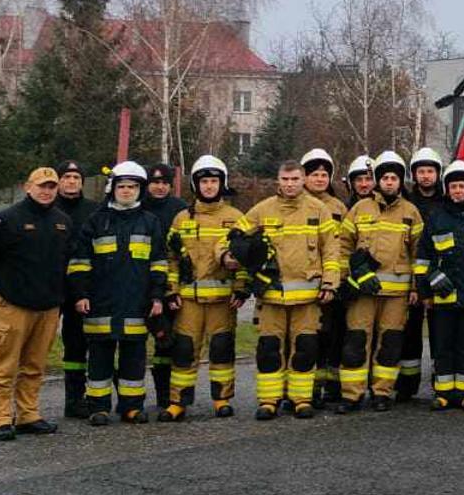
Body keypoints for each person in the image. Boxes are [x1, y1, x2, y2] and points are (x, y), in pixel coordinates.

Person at [229, 160, 343, 420]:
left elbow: (331, 251)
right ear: (278, 181)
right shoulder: (263, 210)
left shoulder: (319, 210)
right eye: (285, 179)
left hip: (307, 298)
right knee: (269, 349)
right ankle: (269, 400)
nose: (290, 184)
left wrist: (330, 283)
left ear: (303, 180)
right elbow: (236, 236)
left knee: (305, 349)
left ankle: (301, 399)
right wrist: (232, 253)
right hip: (271, 297)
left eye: (294, 179)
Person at [0, 167, 72, 441]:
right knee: (4, 365)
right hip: (13, 306)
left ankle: (28, 415)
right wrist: (5, 287)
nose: (46, 191)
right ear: (28, 187)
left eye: (51, 186)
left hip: (48, 307)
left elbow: (65, 262)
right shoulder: (5, 220)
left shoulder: (62, 221)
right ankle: (1, 419)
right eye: (41, 186)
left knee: (35, 365)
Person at [66, 161, 170, 425]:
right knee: (99, 358)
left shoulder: (150, 222)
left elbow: (159, 263)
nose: (127, 191)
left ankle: (131, 407)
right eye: (122, 186)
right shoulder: (96, 222)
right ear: (113, 189)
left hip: (137, 303)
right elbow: (80, 262)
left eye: (133, 187)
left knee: (134, 358)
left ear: (140, 190)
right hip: (101, 303)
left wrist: (157, 296)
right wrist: (81, 295)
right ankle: (98, 407)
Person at [159, 155, 247, 422]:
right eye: (204, 181)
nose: (209, 186)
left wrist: (241, 288)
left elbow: (245, 255)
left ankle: (222, 399)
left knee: (222, 349)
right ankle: (178, 402)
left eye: (214, 181)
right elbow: (171, 258)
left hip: (222, 300)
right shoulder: (181, 219)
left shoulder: (236, 218)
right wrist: (171, 290)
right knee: (184, 351)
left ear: (223, 184)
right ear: (196, 185)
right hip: (188, 301)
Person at [338, 151, 425, 412]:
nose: (389, 182)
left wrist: (415, 288)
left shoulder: (411, 212)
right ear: (377, 180)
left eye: (394, 178)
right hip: (363, 292)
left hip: (396, 295)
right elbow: (343, 247)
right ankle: (351, 395)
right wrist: (347, 279)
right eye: (385, 177)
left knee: (389, 344)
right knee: (356, 340)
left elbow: (419, 254)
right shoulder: (360, 209)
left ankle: (382, 392)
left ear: (401, 182)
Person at [414, 160, 464, 411]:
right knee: (443, 346)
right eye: (453, 186)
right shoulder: (437, 217)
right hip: (442, 298)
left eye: (462, 186)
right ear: (447, 189)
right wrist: (426, 290)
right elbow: (424, 257)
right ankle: (444, 392)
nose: (458, 190)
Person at [52, 159, 101, 418]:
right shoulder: (47, 209)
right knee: (44, 344)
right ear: (58, 181)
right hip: (53, 287)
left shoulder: (94, 210)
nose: (71, 182)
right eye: (67, 177)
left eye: (76, 178)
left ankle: (78, 398)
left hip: (83, 289)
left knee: (80, 343)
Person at [397, 147, 446, 400]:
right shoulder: (405, 203)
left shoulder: (446, 203)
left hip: (440, 274)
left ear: (438, 174)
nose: (426, 176)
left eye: (430, 171)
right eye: (421, 171)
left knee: (440, 330)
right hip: (414, 275)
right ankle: (407, 384)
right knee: (411, 330)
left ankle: (442, 379)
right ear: (414, 175)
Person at [301, 148, 349, 409]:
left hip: (334, 284)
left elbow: (343, 245)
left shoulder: (339, 207)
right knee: (309, 338)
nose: (320, 179)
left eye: (324, 174)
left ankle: (330, 386)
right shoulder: (296, 202)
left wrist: (338, 279)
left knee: (332, 336)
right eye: (314, 174)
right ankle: (307, 389)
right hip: (305, 283)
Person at [141, 162, 188, 411]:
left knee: (166, 340)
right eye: (155, 182)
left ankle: (165, 394)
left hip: (169, 284)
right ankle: (129, 397)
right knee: (134, 342)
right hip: (140, 283)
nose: (159, 187)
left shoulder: (180, 210)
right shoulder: (139, 207)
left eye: (164, 183)